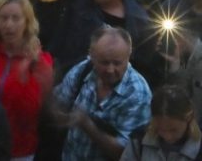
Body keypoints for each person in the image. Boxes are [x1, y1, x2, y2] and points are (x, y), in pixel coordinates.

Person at [0, 0, 54, 160]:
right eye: (3, 18)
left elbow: (42, 109)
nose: (9, 25)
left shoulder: (40, 62)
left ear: (27, 22)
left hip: (21, 150)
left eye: (16, 18)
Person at [53, 26, 152, 161]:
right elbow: (58, 104)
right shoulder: (82, 71)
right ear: (91, 55)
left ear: (129, 56)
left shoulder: (137, 94)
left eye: (117, 63)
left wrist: (87, 125)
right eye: (104, 63)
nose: (110, 70)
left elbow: (126, 153)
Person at [120, 85, 201, 161]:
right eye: (159, 129)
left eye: (173, 130)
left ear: (189, 118)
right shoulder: (138, 141)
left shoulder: (199, 148)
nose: (167, 137)